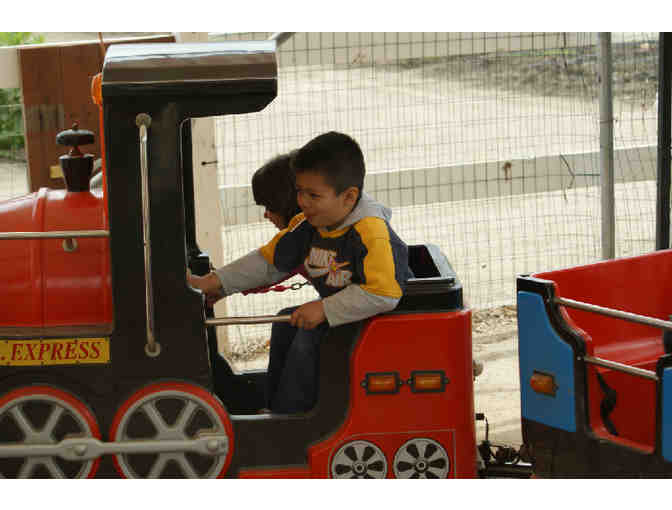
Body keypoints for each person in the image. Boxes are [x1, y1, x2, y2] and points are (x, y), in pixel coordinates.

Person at [189, 131, 412, 414]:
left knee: (308, 337)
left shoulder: (371, 233)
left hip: (379, 319)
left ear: (348, 197)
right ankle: (275, 407)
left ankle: (293, 418)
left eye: (313, 195)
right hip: (345, 313)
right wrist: (214, 282)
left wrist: (324, 308)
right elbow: (269, 262)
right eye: (299, 191)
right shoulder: (308, 224)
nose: (303, 202)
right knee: (286, 321)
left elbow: (383, 292)